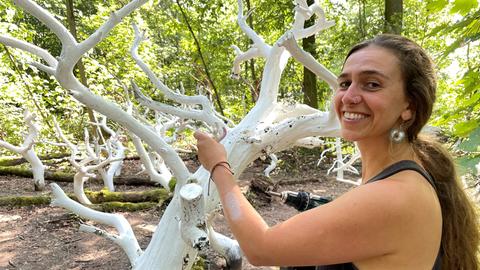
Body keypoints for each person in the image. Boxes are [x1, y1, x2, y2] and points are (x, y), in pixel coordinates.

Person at [194, 34, 479, 269]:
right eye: (345, 83)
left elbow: (260, 248)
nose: (349, 96)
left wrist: (219, 166)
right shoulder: (405, 172)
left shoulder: (395, 196)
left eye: (372, 84)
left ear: (410, 107)